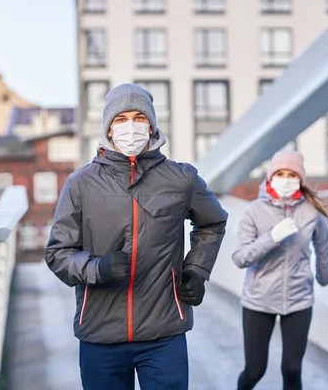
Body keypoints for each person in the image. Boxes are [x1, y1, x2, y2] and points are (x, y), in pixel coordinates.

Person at [45, 83, 228, 390]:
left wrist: (197, 270)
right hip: (100, 334)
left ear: (152, 125)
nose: (131, 126)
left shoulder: (182, 178)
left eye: (139, 117)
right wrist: (96, 268)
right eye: (121, 119)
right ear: (109, 128)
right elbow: (57, 253)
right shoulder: (80, 184)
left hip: (163, 333)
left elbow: (213, 223)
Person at [232, 150, 328, 390]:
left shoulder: (312, 212)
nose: (286, 179)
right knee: (255, 370)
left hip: (299, 300)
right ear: (270, 177)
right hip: (259, 300)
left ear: (300, 179)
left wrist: (324, 276)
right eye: (280, 173)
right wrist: (272, 237)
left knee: (292, 369)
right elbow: (240, 257)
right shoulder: (254, 211)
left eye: (291, 174)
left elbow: (323, 249)